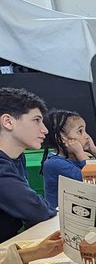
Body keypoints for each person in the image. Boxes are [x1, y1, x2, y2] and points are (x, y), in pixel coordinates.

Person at [0, 88, 55, 241]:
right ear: (8, 121)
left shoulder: (17, 156)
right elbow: (36, 211)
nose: (44, 130)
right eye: (36, 120)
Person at [40, 110, 96, 206]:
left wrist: (94, 150)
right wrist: (81, 153)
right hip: (60, 217)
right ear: (62, 138)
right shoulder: (54, 164)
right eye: (80, 131)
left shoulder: (83, 159)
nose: (87, 136)